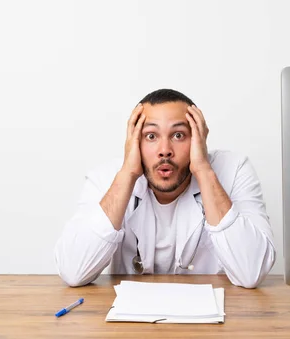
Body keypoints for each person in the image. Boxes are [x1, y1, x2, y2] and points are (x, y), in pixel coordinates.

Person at [54, 89, 276, 288]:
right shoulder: (107, 178)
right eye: (151, 136)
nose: (165, 150)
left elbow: (251, 273)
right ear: (134, 143)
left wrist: (203, 170)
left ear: (198, 139)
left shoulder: (234, 170)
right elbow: (74, 272)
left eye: (178, 135)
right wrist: (128, 175)